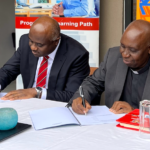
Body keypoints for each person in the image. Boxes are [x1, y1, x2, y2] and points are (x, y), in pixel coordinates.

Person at [0, 16, 90, 102]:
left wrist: (37, 92)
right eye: (31, 41)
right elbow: (8, 71)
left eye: (39, 45)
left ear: (55, 41)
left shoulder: (77, 55)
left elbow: (73, 95)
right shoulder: (24, 41)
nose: (33, 47)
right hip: (27, 103)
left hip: (56, 106)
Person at [69, 19, 150, 114]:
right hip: (111, 124)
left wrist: (135, 113)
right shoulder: (113, 56)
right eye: (122, 46)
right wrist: (81, 98)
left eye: (133, 50)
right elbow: (93, 83)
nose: (125, 54)